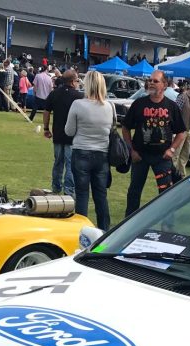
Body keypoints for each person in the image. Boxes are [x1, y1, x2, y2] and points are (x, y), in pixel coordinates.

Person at [122, 69, 186, 215]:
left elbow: (181, 132)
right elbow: (125, 128)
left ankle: (166, 222)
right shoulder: (139, 104)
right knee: (134, 191)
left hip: (162, 158)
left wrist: (172, 150)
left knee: (165, 192)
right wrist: (131, 149)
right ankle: (129, 222)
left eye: (155, 81)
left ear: (164, 85)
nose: (151, 83)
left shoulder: (171, 106)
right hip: (140, 156)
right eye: (150, 80)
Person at [65, 70, 112, 229]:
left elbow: (69, 131)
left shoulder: (78, 104)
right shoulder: (109, 106)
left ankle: (80, 230)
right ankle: (104, 230)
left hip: (82, 152)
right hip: (102, 154)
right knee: (101, 196)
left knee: (82, 194)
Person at [41, 68, 82, 196]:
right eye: (77, 81)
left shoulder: (54, 94)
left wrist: (46, 128)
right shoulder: (78, 96)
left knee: (58, 162)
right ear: (72, 81)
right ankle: (69, 191)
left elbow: (46, 112)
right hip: (73, 136)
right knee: (70, 164)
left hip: (58, 134)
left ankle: (56, 187)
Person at [173, 81, 190, 177]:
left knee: (185, 155)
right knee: (175, 154)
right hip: (181, 130)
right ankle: (172, 175)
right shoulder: (183, 96)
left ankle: (181, 175)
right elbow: (175, 112)